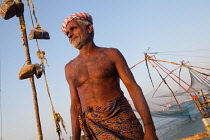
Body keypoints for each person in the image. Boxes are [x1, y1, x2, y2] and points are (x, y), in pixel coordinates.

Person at [62, 12, 158, 140]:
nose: (70, 34)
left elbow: (133, 88)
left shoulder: (111, 54)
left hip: (121, 119)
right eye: (67, 33)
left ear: (89, 28)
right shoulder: (69, 68)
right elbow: (75, 105)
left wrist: (150, 129)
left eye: (73, 29)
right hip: (94, 128)